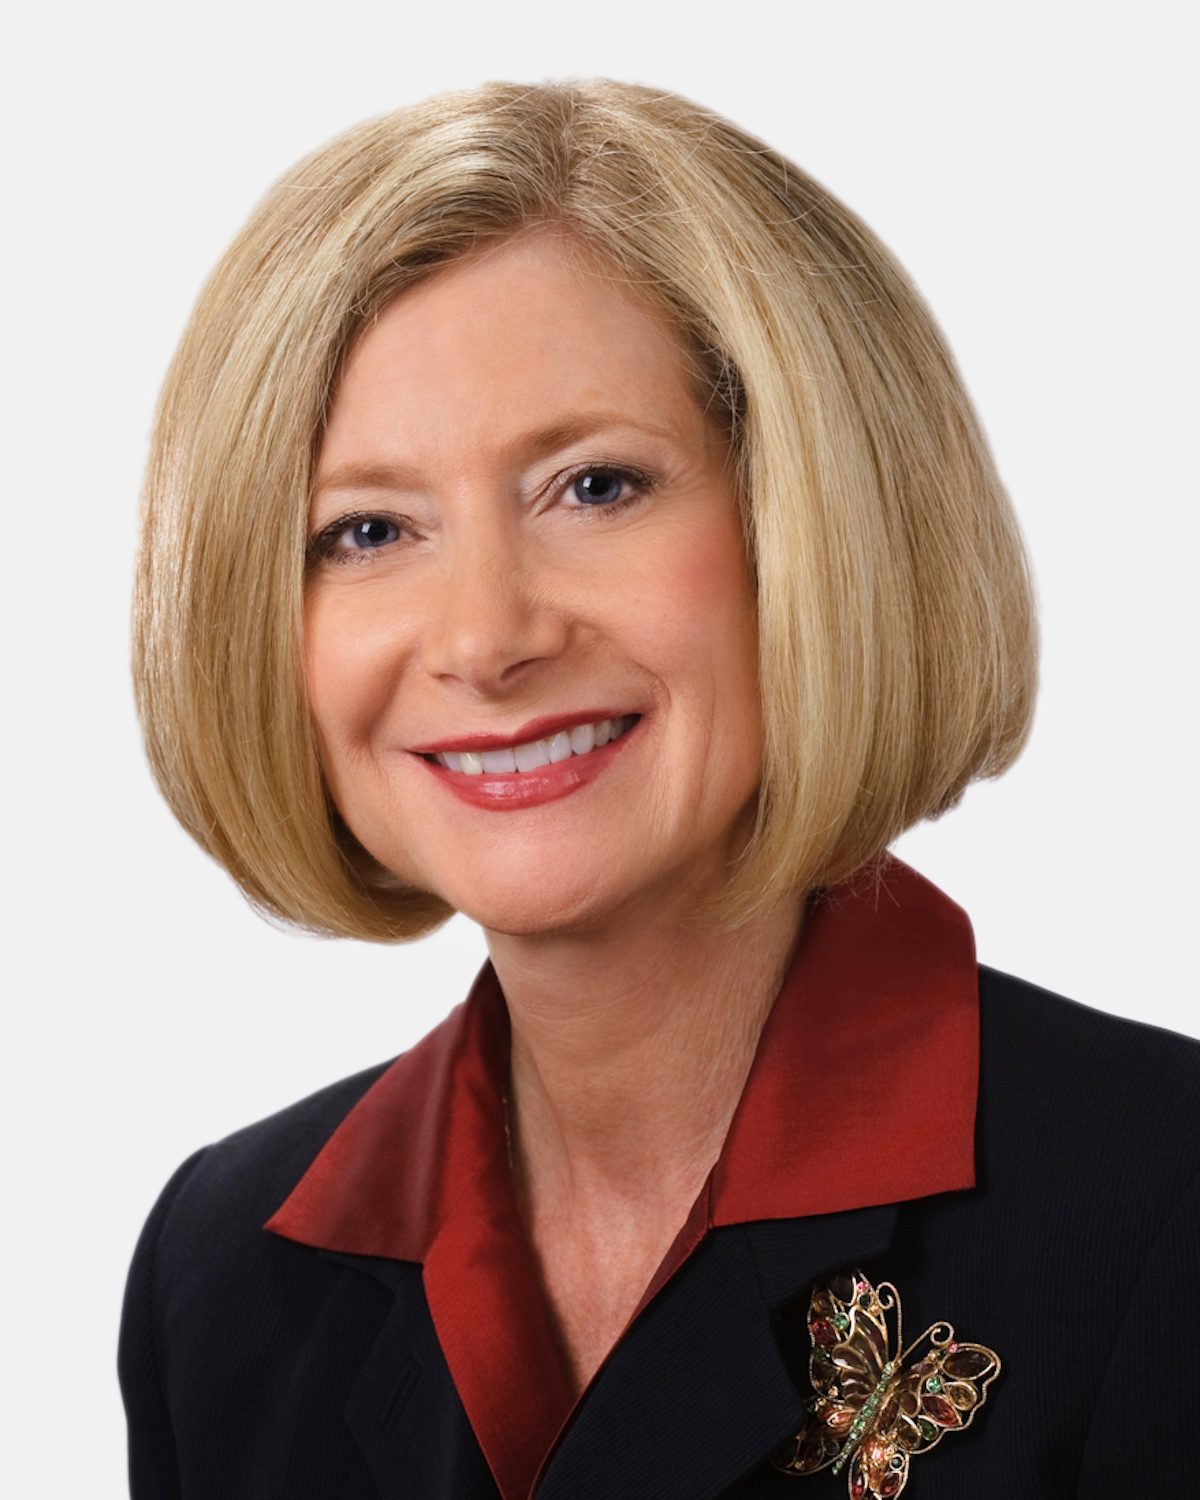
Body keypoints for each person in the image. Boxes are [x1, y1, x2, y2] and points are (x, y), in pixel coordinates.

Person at [119, 80, 1199, 1500]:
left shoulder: (1164, 1209)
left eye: (595, 488)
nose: (484, 639)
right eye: (369, 530)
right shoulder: (223, 1275)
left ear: (808, 519)